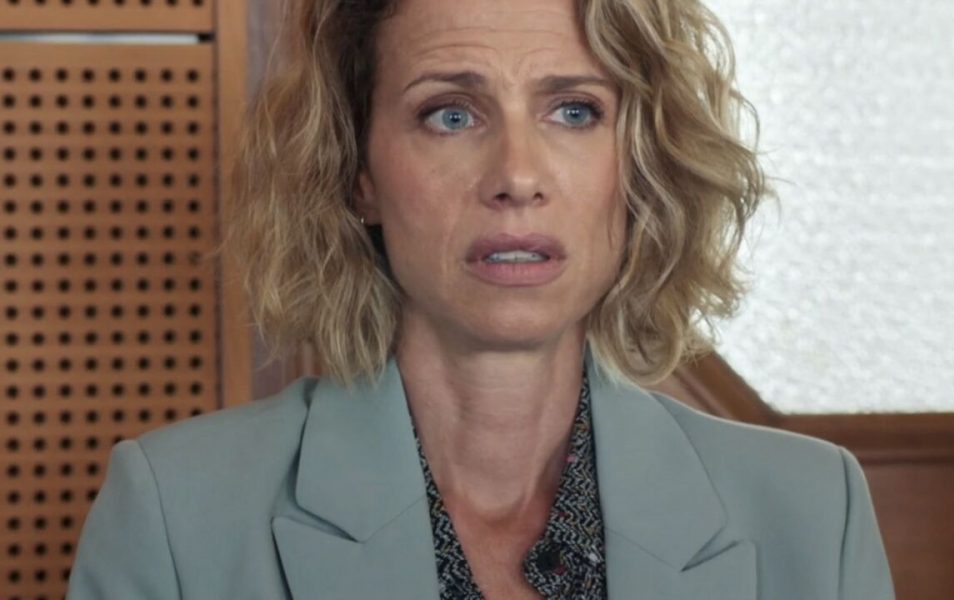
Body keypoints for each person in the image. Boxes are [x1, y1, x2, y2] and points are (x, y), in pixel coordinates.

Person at [67, 0, 895, 598]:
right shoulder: (176, 513)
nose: (518, 177)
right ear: (357, 173)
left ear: (640, 164)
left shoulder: (813, 511)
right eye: (451, 116)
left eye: (574, 110)